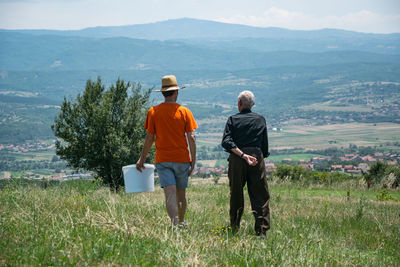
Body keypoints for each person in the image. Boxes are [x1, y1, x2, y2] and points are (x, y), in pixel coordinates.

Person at [136, 75, 197, 226]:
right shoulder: (184, 112)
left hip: (163, 160)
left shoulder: (153, 112)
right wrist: (193, 161)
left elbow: (150, 138)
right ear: (176, 92)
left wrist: (142, 159)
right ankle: (182, 222)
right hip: (182, 159)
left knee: (170, 195)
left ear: (163, 93)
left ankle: (174, 224)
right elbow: (192, 138)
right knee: (181, 195)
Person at [221, 90, 270, 236]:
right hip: (256, 157)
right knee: (260, 194)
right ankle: (261, 230)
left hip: (237, 158)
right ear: (252, 105)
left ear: (239, 104)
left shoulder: (232, 119)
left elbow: (226, 142)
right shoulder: (260, 119)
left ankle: (234, 226)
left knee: (236, 193)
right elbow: (264, 144)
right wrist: (259, 157)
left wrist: (242, 155)